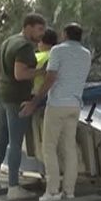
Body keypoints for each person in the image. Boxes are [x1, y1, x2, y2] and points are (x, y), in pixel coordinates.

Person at [21, 22, 91, 201]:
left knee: (49, 147)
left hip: (57, 104)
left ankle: (52, 190)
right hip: (75, 105)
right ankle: (69, 191)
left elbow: (50, 78)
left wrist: (35, 101)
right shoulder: (86, 54)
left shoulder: (57, 51)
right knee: (69, 148)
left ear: (65, 34)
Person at [0, 13, 46, 200]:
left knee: (1, 139)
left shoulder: (9, 41)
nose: (41, 34)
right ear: (28, 27)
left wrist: (0, 85)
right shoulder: (25, 46)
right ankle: (13, 187)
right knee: (16, 143)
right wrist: (41, 72)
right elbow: (20, 74)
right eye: (39, 29)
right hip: (17, 99)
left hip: (2, 96)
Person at [28, 27, 58, 159]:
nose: (38, 45)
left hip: (39, 98)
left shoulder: (37, 57)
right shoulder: (60, 55)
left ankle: (31, 152)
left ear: (43, 42)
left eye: (39, 42)